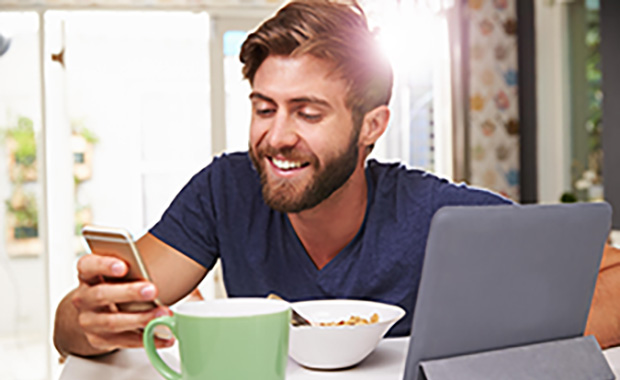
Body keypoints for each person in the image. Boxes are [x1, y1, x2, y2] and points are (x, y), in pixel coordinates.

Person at [52, 0, 617, 358]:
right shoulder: (225, 191)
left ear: (372, 126)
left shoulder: (434, 210)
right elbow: (85, 318)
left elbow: (612, 279)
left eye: (308, 112)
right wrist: (88, 321)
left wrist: (489, 336)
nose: (277, 136)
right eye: (264, 107)